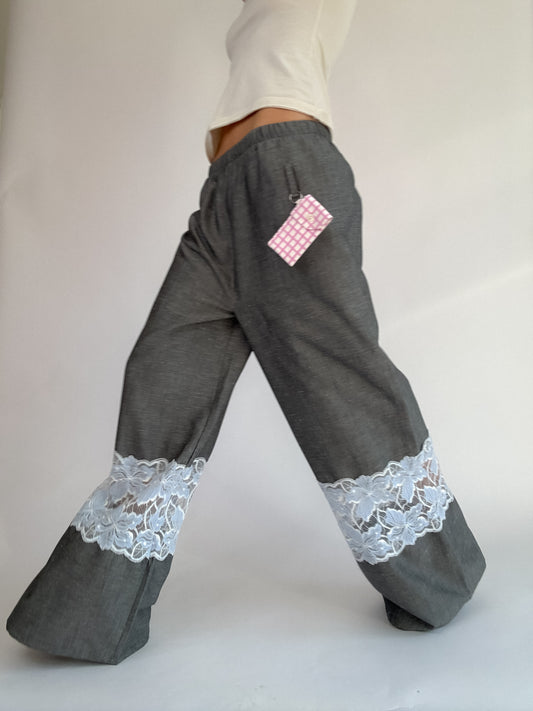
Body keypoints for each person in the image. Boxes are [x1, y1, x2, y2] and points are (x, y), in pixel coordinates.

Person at [6, 0, 485, 665]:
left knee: (334, 380)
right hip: (224, 202)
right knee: (162, 377)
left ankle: (440, 573)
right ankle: (90, 616)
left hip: (288, 186)